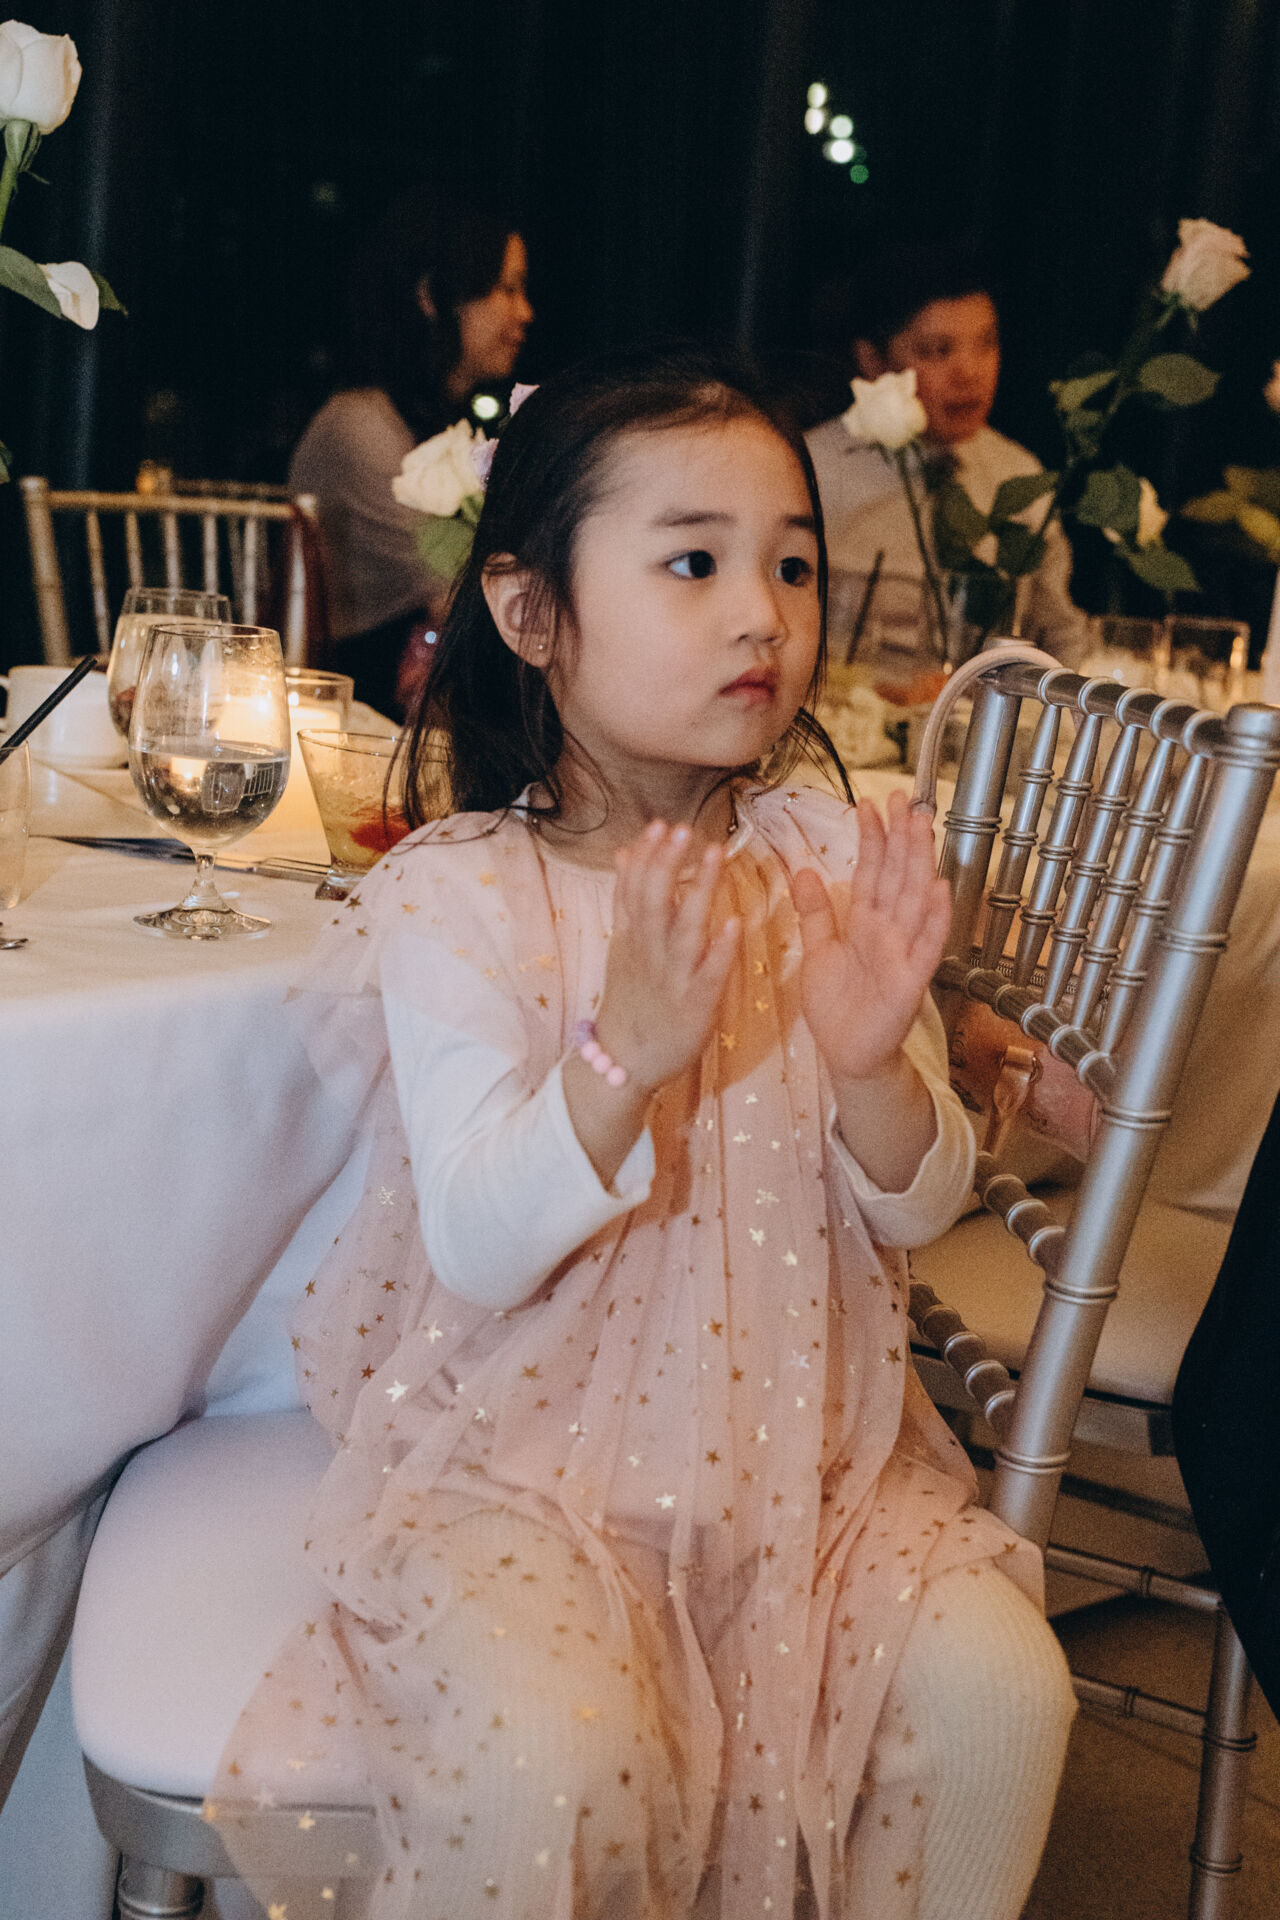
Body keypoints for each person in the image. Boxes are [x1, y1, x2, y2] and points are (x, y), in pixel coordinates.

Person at [212, 346, 1075, 1920]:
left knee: (1003, 1700)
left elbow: (919, 1205)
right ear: (532, 612)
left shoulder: (820, 855)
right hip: (524, 1479)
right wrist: (621, 1056)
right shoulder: (463, 893)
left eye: (791, 566)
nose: (764, 615)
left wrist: (874, 1065)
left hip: (813, 1475)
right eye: (694, 562)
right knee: (552, 1758)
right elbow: (478, 1242)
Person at [290, 186, 534, 716]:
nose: (525, 312)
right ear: (432, 298)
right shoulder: (360, 425)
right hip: (359, 716)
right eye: (506, 288)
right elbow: (464, 600)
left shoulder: (431, 424)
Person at [806, 241, 1087, 665]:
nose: (970, 372)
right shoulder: (812, 470)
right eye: (938, 350)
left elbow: (1060, 635)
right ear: (872, 361)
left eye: (986, 344)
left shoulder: (1019, 474)